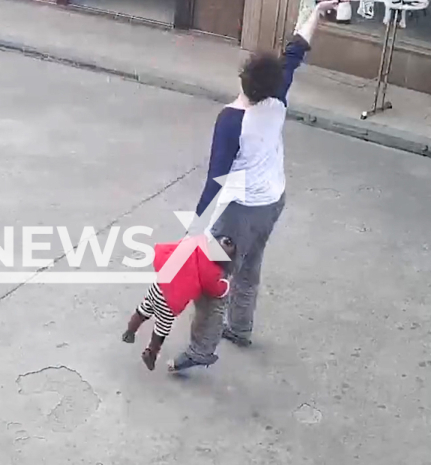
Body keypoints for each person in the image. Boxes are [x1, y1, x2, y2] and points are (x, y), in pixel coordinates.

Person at [168, 0, 339, 372]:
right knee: (250, 266)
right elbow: (297, 47)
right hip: (273, 202)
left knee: (215, 284)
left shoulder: (231, 121)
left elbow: (216, 182)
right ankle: (241, 328)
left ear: (242, 80)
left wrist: (192, 234)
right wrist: (317, 13)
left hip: (241, 212)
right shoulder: (278, 99)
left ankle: (200, 351)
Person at [122, 235, 235, 371]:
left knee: (144, 309)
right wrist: (225, 286)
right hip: (170, 302)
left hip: (159, 286)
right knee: (161, 328)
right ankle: (151, 352)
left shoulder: (194, 243)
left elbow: (168, 249)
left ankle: (130, 331)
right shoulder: (212, 270)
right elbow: (214, 289)